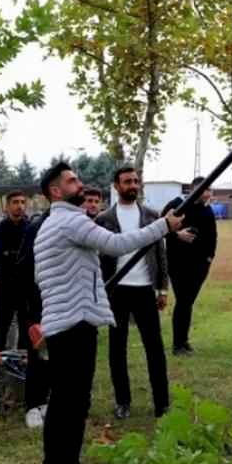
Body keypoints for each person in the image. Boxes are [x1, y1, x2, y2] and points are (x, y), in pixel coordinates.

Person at [33, 161, 182, 464]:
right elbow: (117, 244)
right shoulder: (71, 220)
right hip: (75, 322)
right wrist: (163, 226)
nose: (80, 184)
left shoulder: (49, 225)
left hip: (60, 321)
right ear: (56, 191)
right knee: (74, 403)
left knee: (61, 401)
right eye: (72, 181)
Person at [97, 167, 171, 419]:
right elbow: (98, 259)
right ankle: (123, 402)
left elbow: (160, 254)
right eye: (127, 181)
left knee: (155, 348)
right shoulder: (104, 219)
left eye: (136, 181)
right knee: (117, 349)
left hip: (145, 290)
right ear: (116, 186)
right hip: (116, 290)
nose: (133, 185)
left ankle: (162, 403)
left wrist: (162, 288)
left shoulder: (152, 216)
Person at [162, 176, 217, 355]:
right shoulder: (176, 205)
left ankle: (183, 341)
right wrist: (177, 235)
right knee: (183, 301)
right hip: (178, 263)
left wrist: (209, 258)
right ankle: (178, 344)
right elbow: (159, 229)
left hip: (200, 266)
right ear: (194, 189)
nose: (208, 193)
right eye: (204, 189)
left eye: (209, 189)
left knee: (187, 302)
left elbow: (212, 236)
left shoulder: (207, 210)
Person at [15, 204, 51, 430]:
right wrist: (29, 312)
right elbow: (24, 270)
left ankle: (45, 401)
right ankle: (32, 406)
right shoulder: (36, 228)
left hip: (60, 301)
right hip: (36, 302)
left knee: (53, 356)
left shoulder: (74, 223)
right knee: (37, 355)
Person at [0, 191, 28, 350]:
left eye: (22, 202)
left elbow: (32, 256)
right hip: (5, 284)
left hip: (26, 285)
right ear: (7, 206)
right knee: (1, 328)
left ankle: (24, 362)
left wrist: (10, 254)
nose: (20, 206)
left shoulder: (30, 228)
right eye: (15, 202)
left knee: (26, 329)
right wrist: (19, 255)